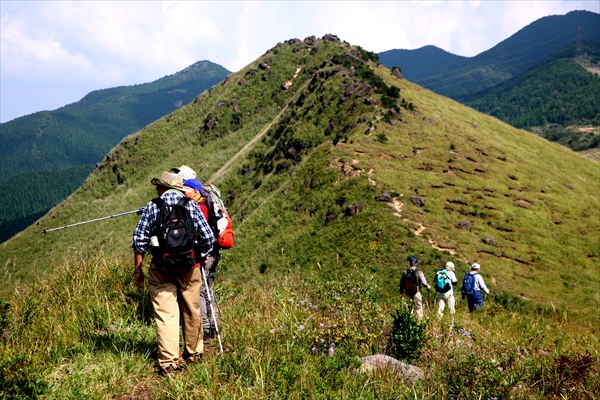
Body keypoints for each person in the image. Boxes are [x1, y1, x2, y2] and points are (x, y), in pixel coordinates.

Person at [133, 171, 214, 377]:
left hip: (161, 267)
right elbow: (207, 237)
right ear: (178, 187)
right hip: (189, 267)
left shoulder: (153, 206)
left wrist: (138, 269)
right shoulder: (191, 205)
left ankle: (168, 362)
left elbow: (139, 239)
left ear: (162, 188)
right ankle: (194, 353)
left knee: (166, 314)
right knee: (191, 309)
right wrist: (201, 255)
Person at [183, 178, 222, 349]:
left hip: (205, 254)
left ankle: (205, 328)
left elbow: (200, 232)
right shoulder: (208, 202)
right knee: (208, 288)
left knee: (201, 289)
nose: (184, 194)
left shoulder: (200, 207)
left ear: (195, 191)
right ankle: (213, 325)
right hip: (214, 252)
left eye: (186, 191)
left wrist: (202, 252)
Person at [399, 257, 431, 321]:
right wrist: (428, 286)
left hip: (407, 292)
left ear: (410, 263)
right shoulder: (419, 272)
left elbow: (402, 283)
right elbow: (424, 282)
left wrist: (401, 291)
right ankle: (419, 323)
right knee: (418, 308)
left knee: (407, 308)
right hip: (416, 292)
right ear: (416, 263)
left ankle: (408, 322)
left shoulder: (405, 272)